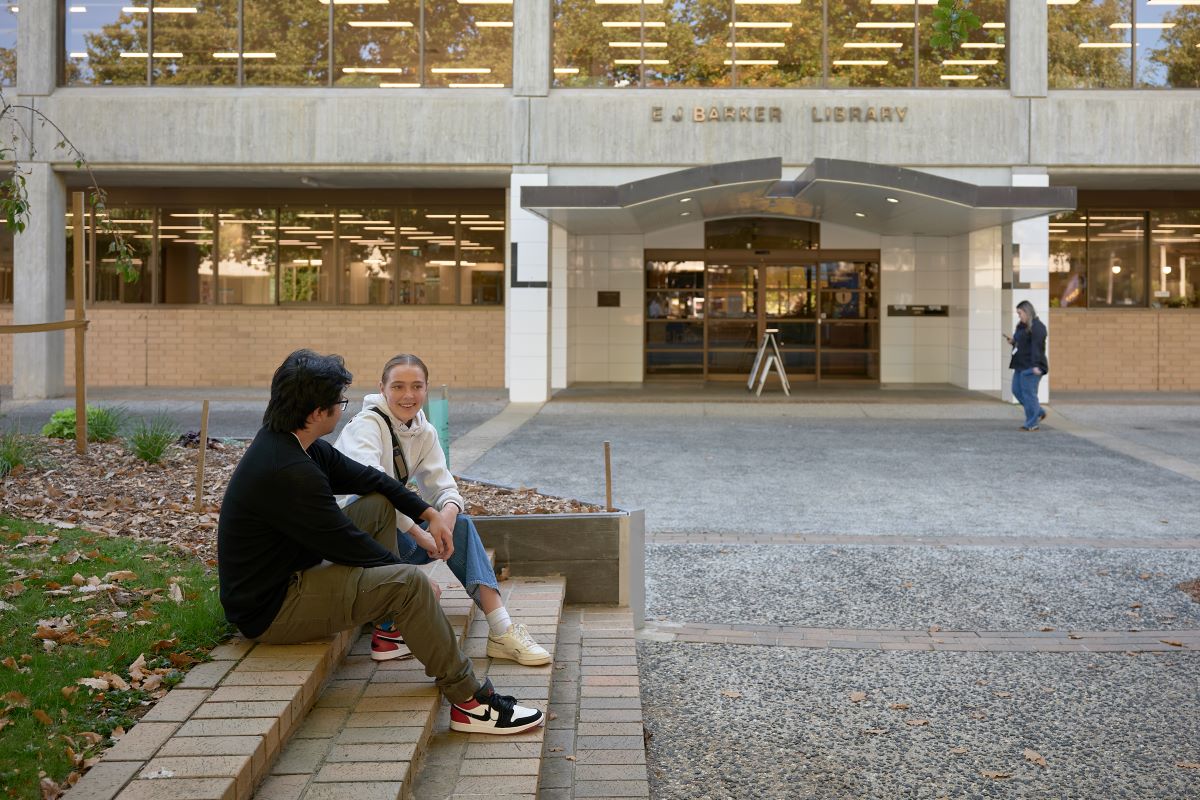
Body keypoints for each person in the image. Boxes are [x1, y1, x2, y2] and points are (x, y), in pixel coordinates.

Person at [217, 349, 544, 735]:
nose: (343, 409)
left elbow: (373, 482)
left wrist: (430, 513)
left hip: (294, 572)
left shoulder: (295, 444)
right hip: (271, 610)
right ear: (317, 411)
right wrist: (409, 575)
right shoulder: (288, 472)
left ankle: (404, 627)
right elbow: (347, 545)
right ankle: (471, 702)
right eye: (339, 401)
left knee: (375, 505)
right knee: (410, 586)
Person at [333, 353, 551, 667]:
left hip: (392, 538)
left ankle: (502, 631)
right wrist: (423, 536)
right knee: (380, 503)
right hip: (353, 543)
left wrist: (446, 518)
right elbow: (373, 497)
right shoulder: (365, 428)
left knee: (460, 523)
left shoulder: (423, 430)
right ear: (382, 388)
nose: (408, 395)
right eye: (398, 386)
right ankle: (387, 628)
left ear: (426, 389)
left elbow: (444, 488)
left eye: (416, 386)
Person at [1004, 300, 1049, 432]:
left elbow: (1037, 348)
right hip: (1020, 364)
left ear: (1027, 312)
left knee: (1029, 395)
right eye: (1018, 314)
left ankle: (1031, 424)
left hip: (1032, 366)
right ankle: (1039, 411)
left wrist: (1036, 366)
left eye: (1020, 313)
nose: (1019, 316)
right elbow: (1022, 343)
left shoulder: (1038, 327)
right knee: (1016, 390)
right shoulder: (1021, 326)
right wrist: (1013, 341)